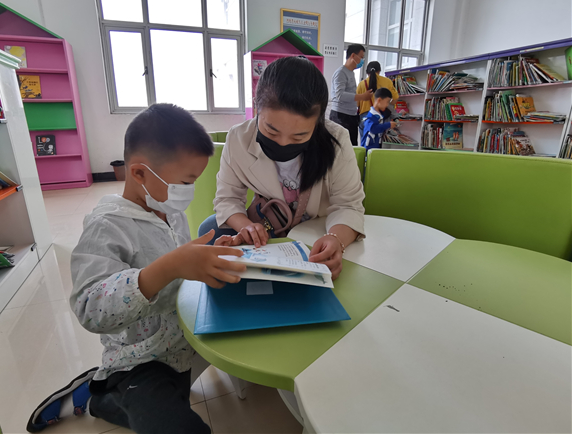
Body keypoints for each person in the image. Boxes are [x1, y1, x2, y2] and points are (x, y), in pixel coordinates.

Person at [26, 104, 247, 434]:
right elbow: (90, 307)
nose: (189, 192)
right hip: (141, 361)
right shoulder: (106, 227)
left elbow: (177, 259)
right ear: (140, 173)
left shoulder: (170, 212)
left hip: (184, 340)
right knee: (174, 423)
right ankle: (102, 394)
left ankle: (114, 395)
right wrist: (169, 267)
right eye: (185, 182)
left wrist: (207, 254)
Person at [198, 56, 366, 280]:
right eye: (271, 131)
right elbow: (227, 198)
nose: (284, 143)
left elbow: (348, 204)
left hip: (318, 230)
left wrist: (336, 239)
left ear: (318, 123)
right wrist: (247, 227)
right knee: (209, 230)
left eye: (299, 136)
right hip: (268, 226)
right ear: (256, 106)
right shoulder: (238, 138)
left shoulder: (337, 140)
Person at [329, 44, 373, 146]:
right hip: (341, 116)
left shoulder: (351, 73)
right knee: (341, 147)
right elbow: (340, 95)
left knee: (351, 147)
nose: (362, 61)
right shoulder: (341, 73)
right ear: (353, 55)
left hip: (350, 115)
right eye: (361, 57)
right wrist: (362, 96)